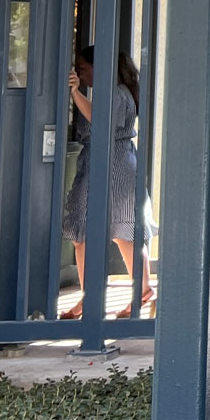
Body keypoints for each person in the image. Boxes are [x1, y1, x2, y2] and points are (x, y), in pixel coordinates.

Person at [60, 46, 150, 319]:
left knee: (101, 232)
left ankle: (100, 298)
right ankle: (140, 294)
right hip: (117, 162)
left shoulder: (114, 93)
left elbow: (101, 122)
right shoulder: (119, 91)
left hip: (111, 164)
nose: (81, 74)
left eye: (84, 69)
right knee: (121, 232)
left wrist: (75, 93)